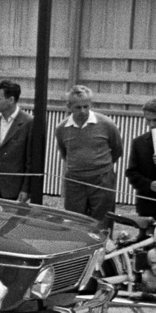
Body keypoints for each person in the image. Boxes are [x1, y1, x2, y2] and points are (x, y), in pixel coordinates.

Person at [55, 85, 123, 229]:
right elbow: (65, 153)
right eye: (78, 107)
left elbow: (117, 149)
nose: (83, 111)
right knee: (74, 221)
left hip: (102, 179)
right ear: (69, 106)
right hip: (75, 181)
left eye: (86, 106)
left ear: (90, 104)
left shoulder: (106, 124)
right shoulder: (62, 128)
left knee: (102, 221)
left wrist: (99, 166)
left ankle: (103, 250)